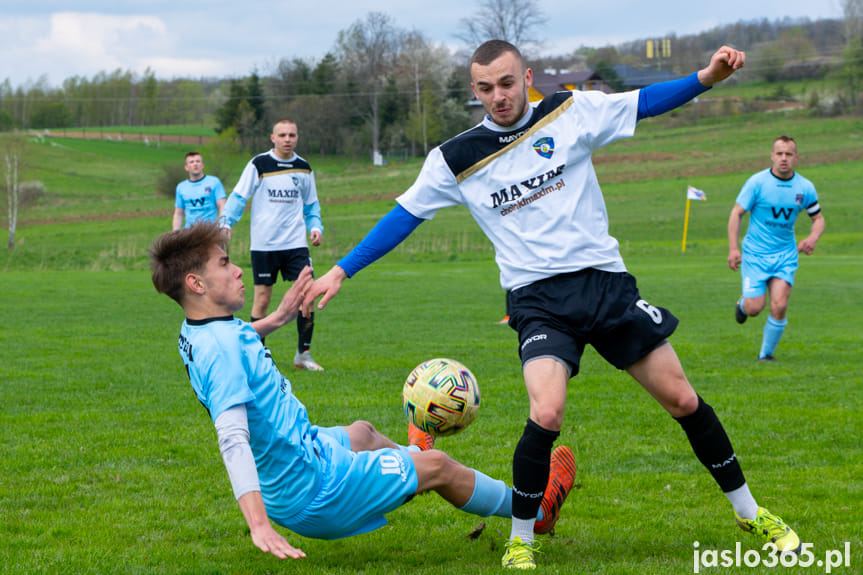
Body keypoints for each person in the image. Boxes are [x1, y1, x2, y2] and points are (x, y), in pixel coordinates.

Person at [302, 40, 801, 569]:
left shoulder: (569, 109)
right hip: (538, 300)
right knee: (547, 410)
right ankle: (522, 538)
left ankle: (750, 512)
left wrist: (706, 77)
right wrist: (340, 269)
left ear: (527, 77)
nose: (499, 96)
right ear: (474, 90)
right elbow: (404, 216)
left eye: (508, 83)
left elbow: (644, 102)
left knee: (682, 399)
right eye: (486, 88)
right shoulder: (454, 158)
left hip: (605, 285)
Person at [147, 222, 576, 562]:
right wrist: (258, 524)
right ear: (197, 284)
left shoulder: (204, 328)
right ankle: (536, 513)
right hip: (315, 490)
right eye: (224, 264)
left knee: (364, 432)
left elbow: (240, 338)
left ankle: (409, 458)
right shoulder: (220, 349)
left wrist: (277, 318)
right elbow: (232, 438)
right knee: (440, 466)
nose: (238, 269)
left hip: (303, 451)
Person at [219, 119, 325, 371]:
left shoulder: (303, 168)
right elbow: (239, 195)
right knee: (262, 301)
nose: (287, 139)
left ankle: (303, 354)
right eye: (282, 135)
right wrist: (226, 222)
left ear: (297, 137)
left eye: (292, 134)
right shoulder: (259, 164)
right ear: (272, 137)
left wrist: (315, 227)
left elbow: (312, 206)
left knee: (307, 296)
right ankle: (258, 356)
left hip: (296, 244)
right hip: (264, 245)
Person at [728, 135, 824, 362]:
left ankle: (766, 355)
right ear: (772, 156)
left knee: (780, 304)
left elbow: (818, 218)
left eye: (788, 154)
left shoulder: (805, 187)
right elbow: (736, 213)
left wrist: (813, 237)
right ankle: (743, 304)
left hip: (785, 255)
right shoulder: (757, 183)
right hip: (755, 255)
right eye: (779, 153)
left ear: (796, 158)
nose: (784, 158)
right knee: (754, 308)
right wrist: (733, 249)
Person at [172, 152, 227, 230]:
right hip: (190, 232)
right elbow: (178, 213)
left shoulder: (214, 182)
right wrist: (175, 233)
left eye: (198, 161)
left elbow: (222, 206)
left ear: (202, 165)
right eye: (191, 162)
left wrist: (222, 226)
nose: (195, 164)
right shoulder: (181, 187)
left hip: (210, 232)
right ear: (186, 167)